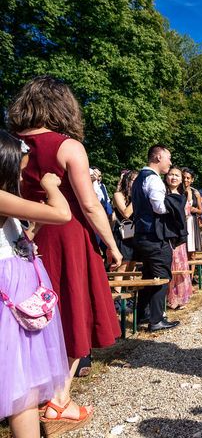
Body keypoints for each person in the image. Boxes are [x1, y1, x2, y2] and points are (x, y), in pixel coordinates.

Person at [9, 76, 121, 426]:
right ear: (63, 106)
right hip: (68, 235)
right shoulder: (67, 146)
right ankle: (59, 399)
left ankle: (30, 395)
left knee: (29, 316)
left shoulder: (10, 144)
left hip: (24, 236)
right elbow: (89, 205)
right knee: (74, 310)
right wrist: (113, 245)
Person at [0, 132, 74, 438]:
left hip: (17, 292)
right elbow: (63, 213)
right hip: (10, 296)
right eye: (17, 169)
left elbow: (13, 240)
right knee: (19, 379)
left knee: (22, 380)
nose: (20, 175)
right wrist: (51, 186)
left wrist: (30, 231)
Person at [131, 145, 180, 331]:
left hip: (141, 235)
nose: (170, 162)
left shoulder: (138, 179)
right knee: (162, 276)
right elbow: (159, 207)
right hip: (154, 236)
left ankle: (144, 314)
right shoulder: (154, 179)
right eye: (168, 158)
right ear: (158, 157)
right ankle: (157, 319)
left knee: (148, 274)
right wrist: (174, 205)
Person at [165, 167, 192, 310]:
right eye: (171, 175)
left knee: (180, 264)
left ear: (181, 179)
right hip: (168, 234)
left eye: (177, 175)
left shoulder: (183, 195)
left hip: (180, 235)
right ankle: (170, 298)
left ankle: (181, 296)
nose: (174, 178)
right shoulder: (163, 193)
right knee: (171, 264)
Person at [112, 170, 138, 272]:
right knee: (123, 264)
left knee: (132, 263)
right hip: (122, 233)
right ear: (127, 181)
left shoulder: (136, 197)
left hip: (135, 233)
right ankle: (117, 288)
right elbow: (126, 214)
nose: (136, 183)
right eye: (133, 180)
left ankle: (128, 287)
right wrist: (136, 197)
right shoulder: (118, 195)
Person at [181, 168, 202, 256]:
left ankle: (192, 270)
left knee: (192, 249)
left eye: (188, 178)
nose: (185, 180)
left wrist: (195, 210)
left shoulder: (196, 193)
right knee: (183, 248)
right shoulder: (178, 191)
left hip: (192, 221)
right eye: (184, 177)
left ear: (192, 180)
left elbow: (201, 211)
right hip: (182, 221)